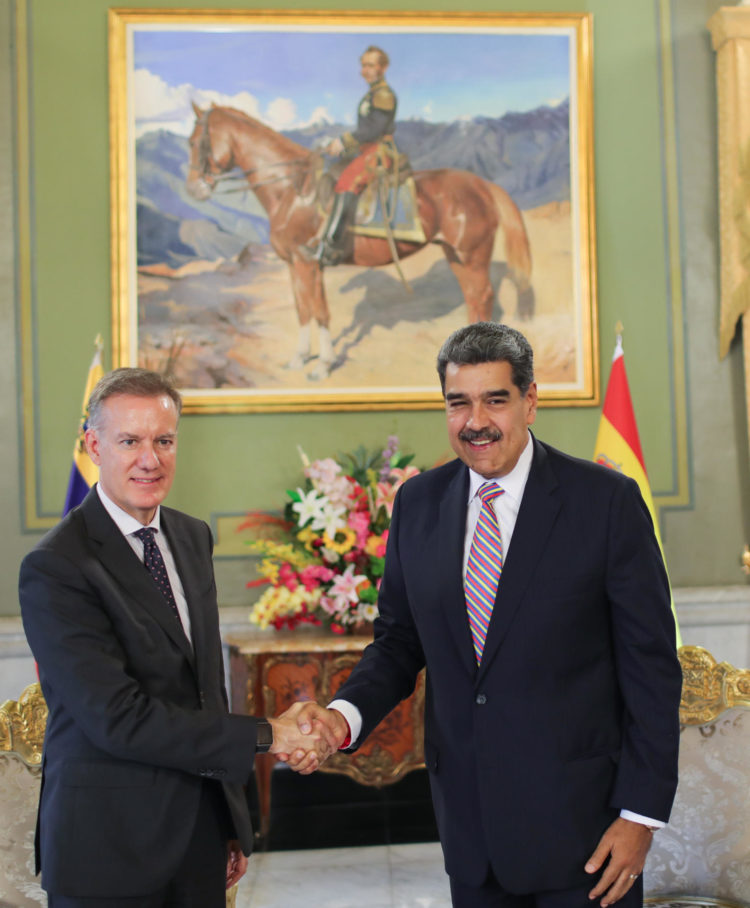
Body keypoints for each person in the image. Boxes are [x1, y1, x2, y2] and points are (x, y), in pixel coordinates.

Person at [294, 323, 682, 908]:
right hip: (471, 833)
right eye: (459, 403)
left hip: (588, 837)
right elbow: (398, 644)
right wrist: (342, 718)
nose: (476, 421)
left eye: (495, 400)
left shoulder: (605, 502)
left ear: (530, 400)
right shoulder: (418, 503)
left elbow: (651, 670)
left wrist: (640, 817)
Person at [19, 368, 334, 908]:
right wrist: (267, 735)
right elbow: (117, 717)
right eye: (130, 441)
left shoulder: (191, 536)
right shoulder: (56, 565)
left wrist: (232, 820)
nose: (151, 458)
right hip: (107, 850)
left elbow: (207, 688)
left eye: (164, 440)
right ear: (94, 445)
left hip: (198, 838)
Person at [312, 45, 398, 266]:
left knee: (346, 182)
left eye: (370, 65)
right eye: (363, 65)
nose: (365, 70)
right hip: (366, 150)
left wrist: (343, 141)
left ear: (383, 67)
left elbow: (373, 131)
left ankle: (331, 248)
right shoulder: (372, 94)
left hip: (379, 152)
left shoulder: (384, 95)